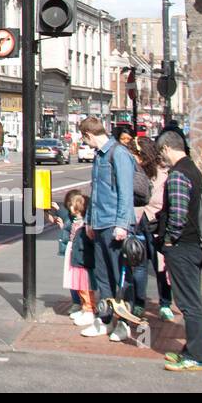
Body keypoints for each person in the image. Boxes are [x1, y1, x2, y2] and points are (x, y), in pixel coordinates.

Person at [79, 116, 136, 341]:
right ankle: (103, 320)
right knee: (103, 277)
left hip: (114, 225)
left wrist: (122, 224)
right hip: (100, 223)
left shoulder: (118, 154)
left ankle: (124, 324)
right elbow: (95, 194)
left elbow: (126, 192)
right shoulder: (99, 156)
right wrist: (90, 222)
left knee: (119, 278)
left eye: (85, 140)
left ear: (89, 135)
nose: (87, 144)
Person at [157, 129, 202, 372]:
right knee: (191, 301)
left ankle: (196, 356)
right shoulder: (193, 170)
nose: (162, 157)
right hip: (193, 244)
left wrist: (168, 239)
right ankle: (191, 349)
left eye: (162, 152)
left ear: (167, 148)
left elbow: (177, 215)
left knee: (189, 303)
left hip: (183, 246)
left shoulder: (178, 175)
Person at [115, 137, 169, 323]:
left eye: (134, 153)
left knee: (159, 265)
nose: (131, 157)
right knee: (138, 264)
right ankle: (139, 302)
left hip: (155, 223)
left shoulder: (162, 172)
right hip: (136, 223)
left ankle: (165, 303)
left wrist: (149, 211)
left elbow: (162, 200)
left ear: (143, 155)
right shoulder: (132, 171)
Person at [50, 190, 95, 325]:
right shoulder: (76, 221)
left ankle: (89, 309)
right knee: (79, 285)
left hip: (81, 258)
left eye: (71, 205)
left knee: (85, 285)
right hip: (76, 256)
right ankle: (84, 307)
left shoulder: (83, 223)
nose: (69, 208)